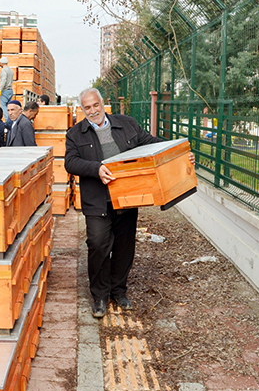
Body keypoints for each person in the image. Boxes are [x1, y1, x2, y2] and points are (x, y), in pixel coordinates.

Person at [65, 88, 194, 319]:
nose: (93, 111)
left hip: (127, 197)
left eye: (96, 105)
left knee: (124, 248)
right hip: (97, 201)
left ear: (103, 103)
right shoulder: (75, 134)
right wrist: (96, 169)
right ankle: (100, 296)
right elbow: (71, 162)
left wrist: (180, 154)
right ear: (82, 109)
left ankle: (118, 291)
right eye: (87, 108)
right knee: (98, 246)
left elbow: (151, 144)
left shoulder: (127, 125)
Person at [0, 57, 14, 122]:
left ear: (1, 63)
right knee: (9, 107)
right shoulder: (10, 70)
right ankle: (11, 120)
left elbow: (3, 80)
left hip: (5, 90)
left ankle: (8, 121)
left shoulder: (4, 70)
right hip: (10, 90)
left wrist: (0, 89)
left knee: (4, 107)